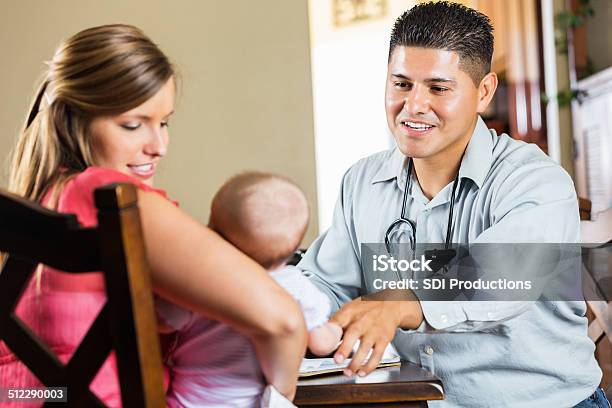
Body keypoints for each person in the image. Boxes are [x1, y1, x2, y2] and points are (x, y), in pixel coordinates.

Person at [297, 2, 608, 407]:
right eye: (401, 84)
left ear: (483, 92)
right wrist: (286, 305)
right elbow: (328, 281)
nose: (413, 105)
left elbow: (503, 274)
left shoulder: (536, 180)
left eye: (438, 88)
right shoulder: (362, 182)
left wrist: (401, 301)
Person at [0, 24, 306, 406]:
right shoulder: (109, 198)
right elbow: (284, 321)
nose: (158, 145)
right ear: (73, 118)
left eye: (164, 123)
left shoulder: (36, 202)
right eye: (133, 125)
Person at [156, 172, 342, 407]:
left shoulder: (198, 283)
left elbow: (162, 323)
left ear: (214, 235)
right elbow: (321, 343)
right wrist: (337, 329)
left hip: (188, 402)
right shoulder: (297, 288)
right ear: (294, 248)